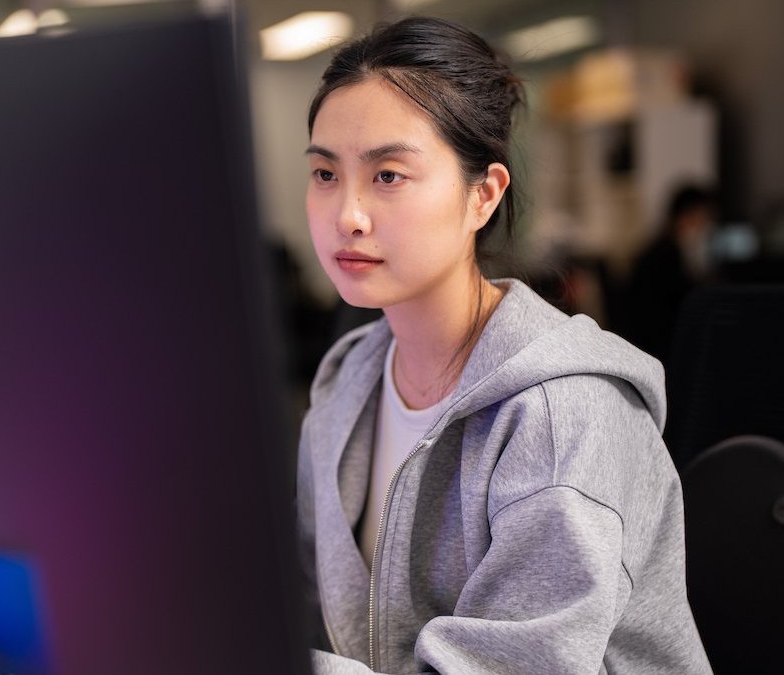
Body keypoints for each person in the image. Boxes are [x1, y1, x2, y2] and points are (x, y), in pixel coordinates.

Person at [295, 17, 711, 674]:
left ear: (483, 195)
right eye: (324, 174)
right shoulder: (346, 383)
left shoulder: (561, 412)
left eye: (388, 175)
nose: (348, 213)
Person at [613, 184, 717, 364]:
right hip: (656, 351)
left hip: (645, 346)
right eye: (702, 218)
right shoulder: (666, 255)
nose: (705, 226)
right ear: (685, 216)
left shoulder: (658, 249)